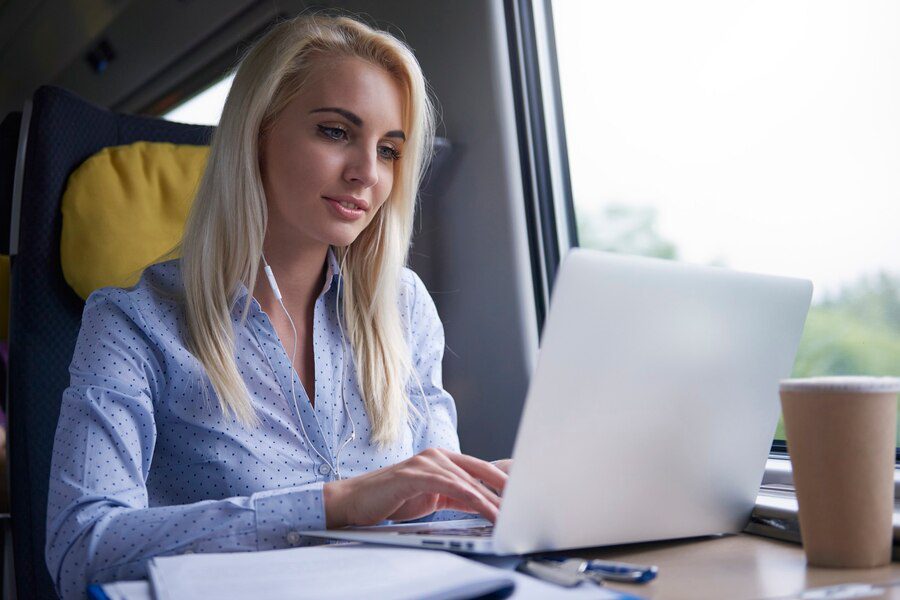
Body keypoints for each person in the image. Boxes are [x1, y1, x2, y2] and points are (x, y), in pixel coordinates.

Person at [45, 14, 510, 598]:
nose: (367, 172)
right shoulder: (133, 325)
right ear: (258, 133)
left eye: (389, 150)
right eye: (336, 132)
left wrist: (498, 503)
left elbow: (439, 516)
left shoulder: (404, 309)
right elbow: (79, 549)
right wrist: (332, 506)